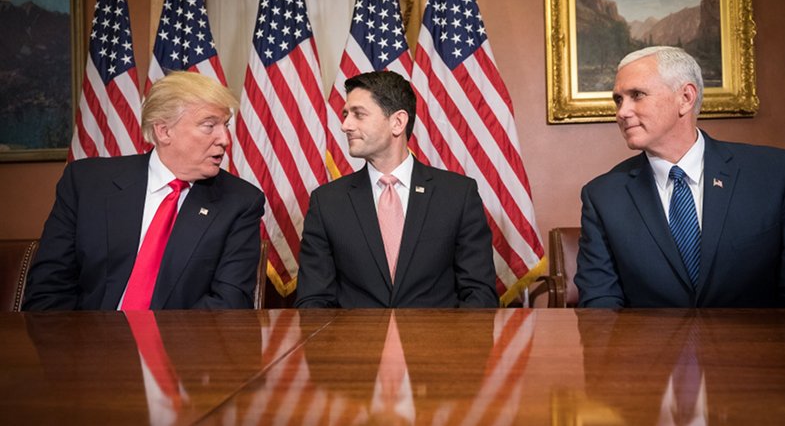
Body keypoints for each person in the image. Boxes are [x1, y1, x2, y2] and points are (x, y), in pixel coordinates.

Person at [575, 46, 785, 307]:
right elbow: (600, 309)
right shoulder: (603, 196)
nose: (622, 112)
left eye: (637, 95)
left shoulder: (776, 175)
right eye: (618, 100)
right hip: (648, 348)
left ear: (685, 97)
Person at [23, 71, 265, 310]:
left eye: (225, 125)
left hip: (178, 346)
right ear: (164, 131)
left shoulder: (239, 202)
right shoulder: (87, 184)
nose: (224, 139)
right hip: (84, 341)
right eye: (209, 125)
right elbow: (49, 288)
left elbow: (228, 302)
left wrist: (151, 347)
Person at [295, 71, 498, 308]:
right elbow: (313, 301)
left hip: (436, 342)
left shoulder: (457, 195)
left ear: (398, 122)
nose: (345, 125)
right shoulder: (327, 202)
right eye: (345, 115)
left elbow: (479, 294)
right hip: (355, 343)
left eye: (358, 114)